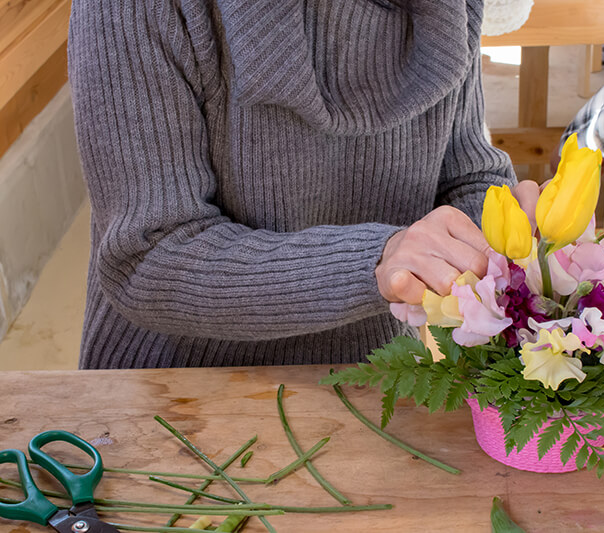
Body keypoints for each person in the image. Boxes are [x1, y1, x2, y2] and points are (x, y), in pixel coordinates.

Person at [68, 0, 539, 369]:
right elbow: (147, 258)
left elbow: (466, 173)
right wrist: (376, 260)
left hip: (370, 375)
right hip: (175, 391)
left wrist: (504, 236)